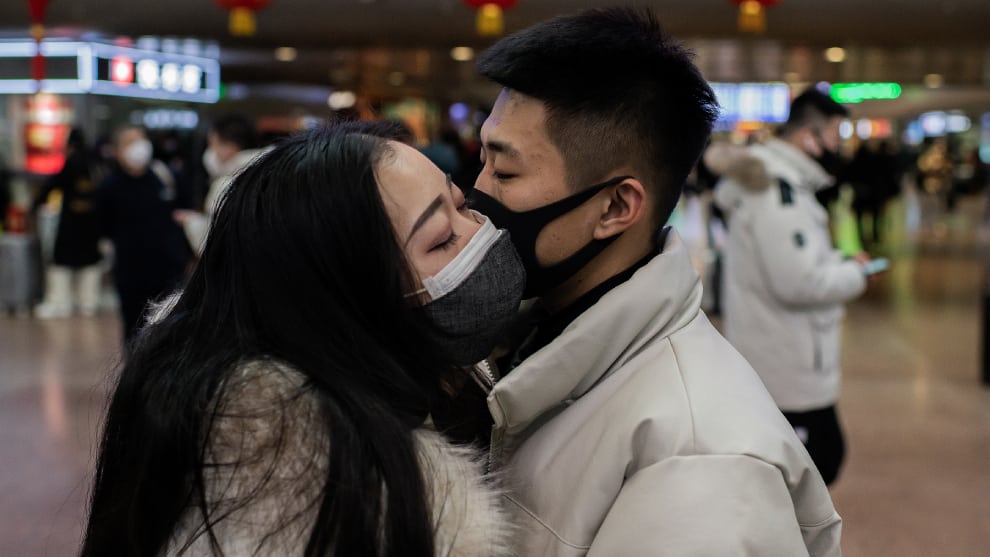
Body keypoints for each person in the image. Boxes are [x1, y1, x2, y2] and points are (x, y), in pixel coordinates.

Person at [465, 7, 842, 556]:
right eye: (481, 159)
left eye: (503, 171)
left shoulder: (702, 463)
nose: (474, 197)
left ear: (617, 206)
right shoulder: (532, 335)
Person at [81, 122, 522, 556]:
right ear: (348, 301)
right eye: (442, 239)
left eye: (460, 204)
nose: (479, 231)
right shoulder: (327, 507)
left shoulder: (438, 376)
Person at [709, 88, 874, 487]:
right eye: (835, 136)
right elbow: (798, 282)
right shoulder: (776, 192)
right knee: (814, 466)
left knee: (806, 471)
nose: (839, 148)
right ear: (807, 136)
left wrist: (840, 262)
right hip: (787, 366)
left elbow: (796, 261)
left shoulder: (784, 185)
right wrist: (857, 277)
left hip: (783, 358)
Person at [95, 126, 190, 344]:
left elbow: (184, 214)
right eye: (130, 142)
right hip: (130, 270)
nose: (139, 147)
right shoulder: (109, 186)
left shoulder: (166, 177)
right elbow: (103, 226)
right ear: (118, 151)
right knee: (135, 329)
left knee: (171, 328)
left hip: (168, 267)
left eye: (141, 140)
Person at [32, 129, 104, 318]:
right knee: (90, 262)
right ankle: (89, 302)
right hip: (91, 224)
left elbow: (54, 184)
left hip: (71, 224)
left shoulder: (72, 162)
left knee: (61, 262)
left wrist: (37, 203)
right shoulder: (94, 164)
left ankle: (61, 302)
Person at [175, 113, 268, 255]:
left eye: (213, 144)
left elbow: (214, 245)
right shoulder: (271, 173)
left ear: (229, 148)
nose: (210, 152)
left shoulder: (226, 185)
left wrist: (191, 221)